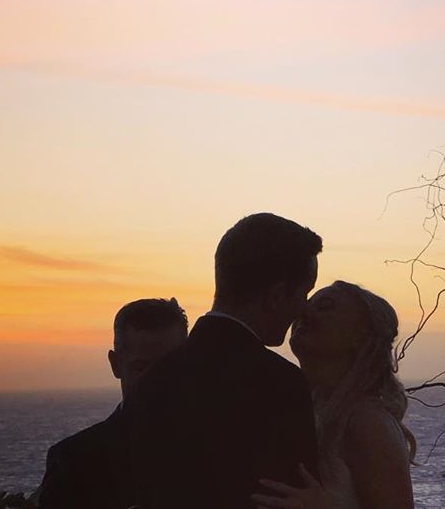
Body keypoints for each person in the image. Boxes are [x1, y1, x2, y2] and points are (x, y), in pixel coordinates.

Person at [126, 213, 323, 509]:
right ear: (276, 296)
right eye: (303, 294)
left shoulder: (153, 382)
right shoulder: (279, 384)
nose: (304, 309)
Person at [253, 282, 415, 509]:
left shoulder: (366, 422)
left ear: (360, 336)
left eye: (325, 307)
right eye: (306, 305)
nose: (304, 312)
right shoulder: (301, 409)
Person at [38, 297, 188, 509]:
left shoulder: (227, 447)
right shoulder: (74, 463)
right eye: (141, 368)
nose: (157, 380)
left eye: (168, 367)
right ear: (116, 364)